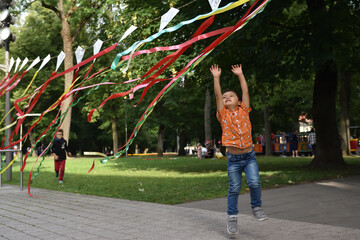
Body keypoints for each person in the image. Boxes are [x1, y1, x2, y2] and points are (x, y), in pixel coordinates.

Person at [211, 64, 268, 235]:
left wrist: (241, 74)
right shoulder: (223, 114)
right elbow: (216, 94)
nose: (227, 97)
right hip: (234, 160)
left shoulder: (244, 109)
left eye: (231, 96)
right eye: (225, 96)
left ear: (238, 100)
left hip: (249, 156)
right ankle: (232, 218)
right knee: (234, 188)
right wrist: (216, 77)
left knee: (254, 182)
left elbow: (246, 92)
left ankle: (256, 208)